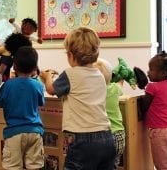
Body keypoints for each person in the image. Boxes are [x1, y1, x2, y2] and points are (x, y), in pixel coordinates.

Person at [40, 26, 116, 170]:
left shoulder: (70, 74)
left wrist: (47, 76)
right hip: (106, 137)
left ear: (71, 55)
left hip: (83, 140)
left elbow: (50, 90)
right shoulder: (100, 75)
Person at [0, 46, 45, 170]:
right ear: (35, 68)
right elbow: (41, 102)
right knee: (34, 166)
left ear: (14, 67)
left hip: (14, 133)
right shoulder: (38, 85)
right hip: (35, 132)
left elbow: (0, 102)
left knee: (12, 166)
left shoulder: (7, 85)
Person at [139, 51, 167, 170]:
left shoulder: (152, 87)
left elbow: (144, 106)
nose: (148, 72)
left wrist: (144, 88)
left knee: (163, 165)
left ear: (163, 73)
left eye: (151, 69)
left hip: (161, 132)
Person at [94, 58, 125, 169]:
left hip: (100, 136)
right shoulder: (115, 88)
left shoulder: (92, 93)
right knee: (112, 166)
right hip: (118, 135)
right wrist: (121, 77)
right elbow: (121, 83)